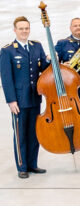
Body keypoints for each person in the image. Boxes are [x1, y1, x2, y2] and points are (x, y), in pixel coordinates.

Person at [1, 16, 49, 178]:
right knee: (20, 135)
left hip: (35, 98)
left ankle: (33, 164)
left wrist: (52, 60)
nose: (24, 31)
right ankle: (22, 167)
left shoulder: (36, 46)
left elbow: (44, 66)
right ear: (15, 30)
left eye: (26, 28)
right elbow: (6, 78)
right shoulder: (7, 50)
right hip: (19, 101)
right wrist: (11, 100)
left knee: (34, 134)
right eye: (21, 28)